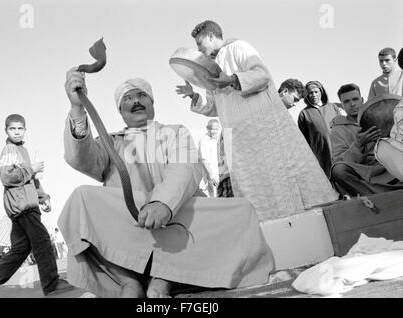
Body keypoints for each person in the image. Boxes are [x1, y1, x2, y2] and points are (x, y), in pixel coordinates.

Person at [60, 71, 274, 298]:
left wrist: (163, 203)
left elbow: (185, 168)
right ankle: (128, 282)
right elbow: (81, 159)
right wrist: (77, 109)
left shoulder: (175, 132)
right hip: (130, 224)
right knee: (80, 199)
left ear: (152, 103)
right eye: (128, 98)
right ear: (120, 110)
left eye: (141, 95)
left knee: (241, 211)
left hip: (175, 216)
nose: (135, 101)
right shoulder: (109, 142)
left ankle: (163, 279)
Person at [176, 20, 338, 221]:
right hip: (242, 141)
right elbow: (215, 106)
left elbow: (262, 76)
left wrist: (233, 79)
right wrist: (194, 97)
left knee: (283, 177)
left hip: (265, 130)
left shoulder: (239, 47)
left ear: (211, 36)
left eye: (200, 44)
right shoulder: (212, 70)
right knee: (257, 191)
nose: (199, 49)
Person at [0, 114, 74, 298]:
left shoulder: (22, 151)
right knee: (42, 242)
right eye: (12, 129)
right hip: (22, 205)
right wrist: (31, 169)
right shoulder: (9, 149)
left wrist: (42, 196)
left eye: (20, 128)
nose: (17, 132)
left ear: (25, 129)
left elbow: (30, 180)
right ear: (6, 131)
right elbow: (7, 177)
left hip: (26, 203)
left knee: (21, 249)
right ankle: (52, 285)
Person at [330, 84, 403, 196]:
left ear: (362, 100)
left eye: (355, 99)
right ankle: (376, 195)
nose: (352, 104)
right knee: (338, 170)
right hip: (366, 172)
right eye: (347, 101)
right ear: (342, 105)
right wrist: (358, 144)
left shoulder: (383, 114)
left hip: (390, 164)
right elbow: (340, 160)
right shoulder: (337, 130)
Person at [298, 81, 346, 178]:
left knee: (343, 175)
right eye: (310, 93)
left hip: (338, 151)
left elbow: (343, 128)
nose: (313, 95)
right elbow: (304, 140)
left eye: (316, 92)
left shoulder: (333, 107)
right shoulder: (304, 114)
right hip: (320, 154)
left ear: (321, 92)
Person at [198, 119, 220, 197]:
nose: (215, 131)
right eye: (213, 129)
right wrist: (212, 176)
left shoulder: (216, 141)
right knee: (212, 200)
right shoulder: (204, 141)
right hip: (210, 177)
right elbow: (204, 160)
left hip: (217, 176)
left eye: (217, 129)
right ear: (208, 129)